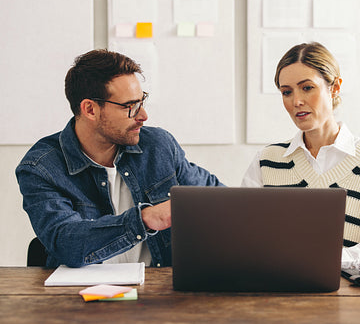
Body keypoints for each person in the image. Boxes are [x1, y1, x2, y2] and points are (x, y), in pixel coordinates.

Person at [16, 49, 223, 268]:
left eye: (142, 101)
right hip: (82, 295)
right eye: (130, 106)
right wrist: (146, 219)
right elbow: (66, 243)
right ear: (90, 109)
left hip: (159, 290)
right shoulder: (40, 167)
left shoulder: (158, 146)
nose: (143, 116)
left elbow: (218, 199)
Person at [242, 42, 360, 269]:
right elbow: (246, 237)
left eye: (307, 88)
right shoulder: (266, 161)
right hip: (280, 294)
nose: (296, 101)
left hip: (353, 297)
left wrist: (336, 258)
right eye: (287, 92)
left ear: (334, 88)